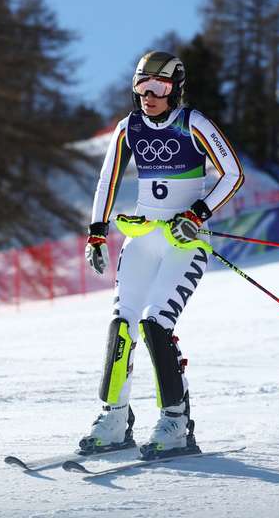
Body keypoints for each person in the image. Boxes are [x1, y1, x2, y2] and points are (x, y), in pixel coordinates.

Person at [82, 51, 244, 460]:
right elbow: (108, 178)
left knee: (156, 322)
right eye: (142, 86)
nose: (149, 96)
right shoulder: (129, 127)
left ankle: (175, 422)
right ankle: (114, 418)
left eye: (159, 87)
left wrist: (198, 213)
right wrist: (97, 233)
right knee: (122, 323)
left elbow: (233, 174)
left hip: (185, 243)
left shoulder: (193, 123)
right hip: (143, 239)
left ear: (175, 89)